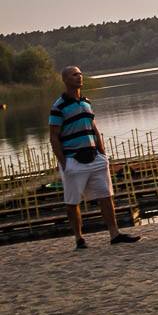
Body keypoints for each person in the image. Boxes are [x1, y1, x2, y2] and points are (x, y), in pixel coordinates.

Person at [48, 66, 136, 250]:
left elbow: (94, 128)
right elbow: (54, 136)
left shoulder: (86, 102)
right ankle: (79, 238)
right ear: (65, 80)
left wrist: (102, 154)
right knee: (73, 201)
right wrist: (64, 163)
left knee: (106, 195)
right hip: (73, 159)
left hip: (95, 157)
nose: (79, 77)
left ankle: (114, 234)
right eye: (74, 75)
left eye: (80, 74)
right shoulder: (58, 106)